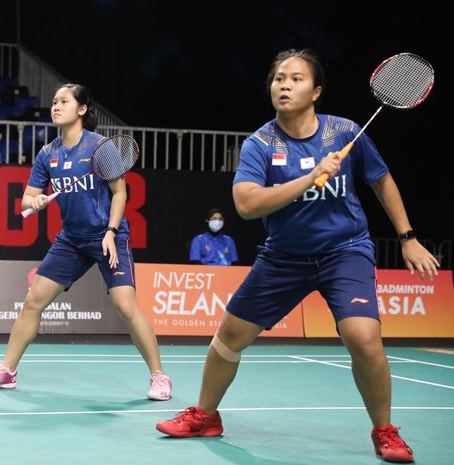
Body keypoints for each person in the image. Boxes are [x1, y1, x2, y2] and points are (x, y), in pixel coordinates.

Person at [155, 49, 439, 463]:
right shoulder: (261, 143)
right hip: (284, 257)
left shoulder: (344, 132)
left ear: (316, 90)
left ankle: (385, 430)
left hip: (345, 251)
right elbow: (247, 204)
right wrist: (311, 176)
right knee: (230, 336)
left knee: (363, 337)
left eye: (296, 79)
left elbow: (381, 180)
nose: (284, 85)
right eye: (278, 79)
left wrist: (408, 236)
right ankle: (206, 414)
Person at [0, 83, 172, 401]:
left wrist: (111, 232)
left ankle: (159, 377)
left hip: (108, 237)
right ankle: (6, 371)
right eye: (54, 101)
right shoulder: (47, 153)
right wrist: (33, 202)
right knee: (33, 301)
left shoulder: (101, 147)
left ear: (82, 109)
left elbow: (121, 194)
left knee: (126, 306)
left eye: (64, 101)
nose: (56, 106)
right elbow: (28, 197)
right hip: (71, 239)